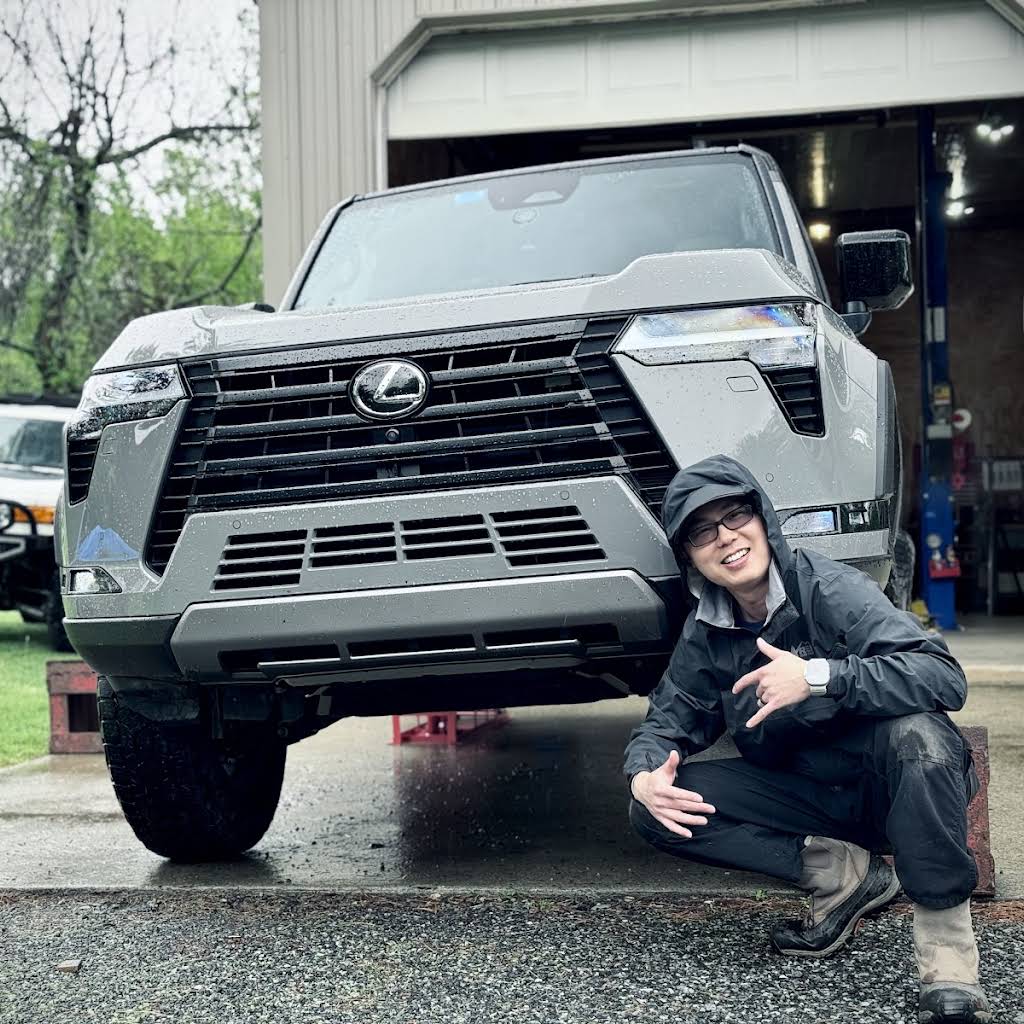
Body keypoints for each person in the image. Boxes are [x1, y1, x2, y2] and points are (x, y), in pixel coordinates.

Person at [624, 454, 989, 1024]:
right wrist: (646, 771)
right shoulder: (707, 631)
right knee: (659, 808)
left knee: (919, 735)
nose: (725, 538)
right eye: (701, 531)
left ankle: (949, 964)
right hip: (808, 794)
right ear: (690, 556)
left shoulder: (829, 588)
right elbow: (667, 721)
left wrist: (819, 675)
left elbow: (941, 676)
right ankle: (843, 873)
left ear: (763, 519)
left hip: (892, 788)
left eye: (735, 516)